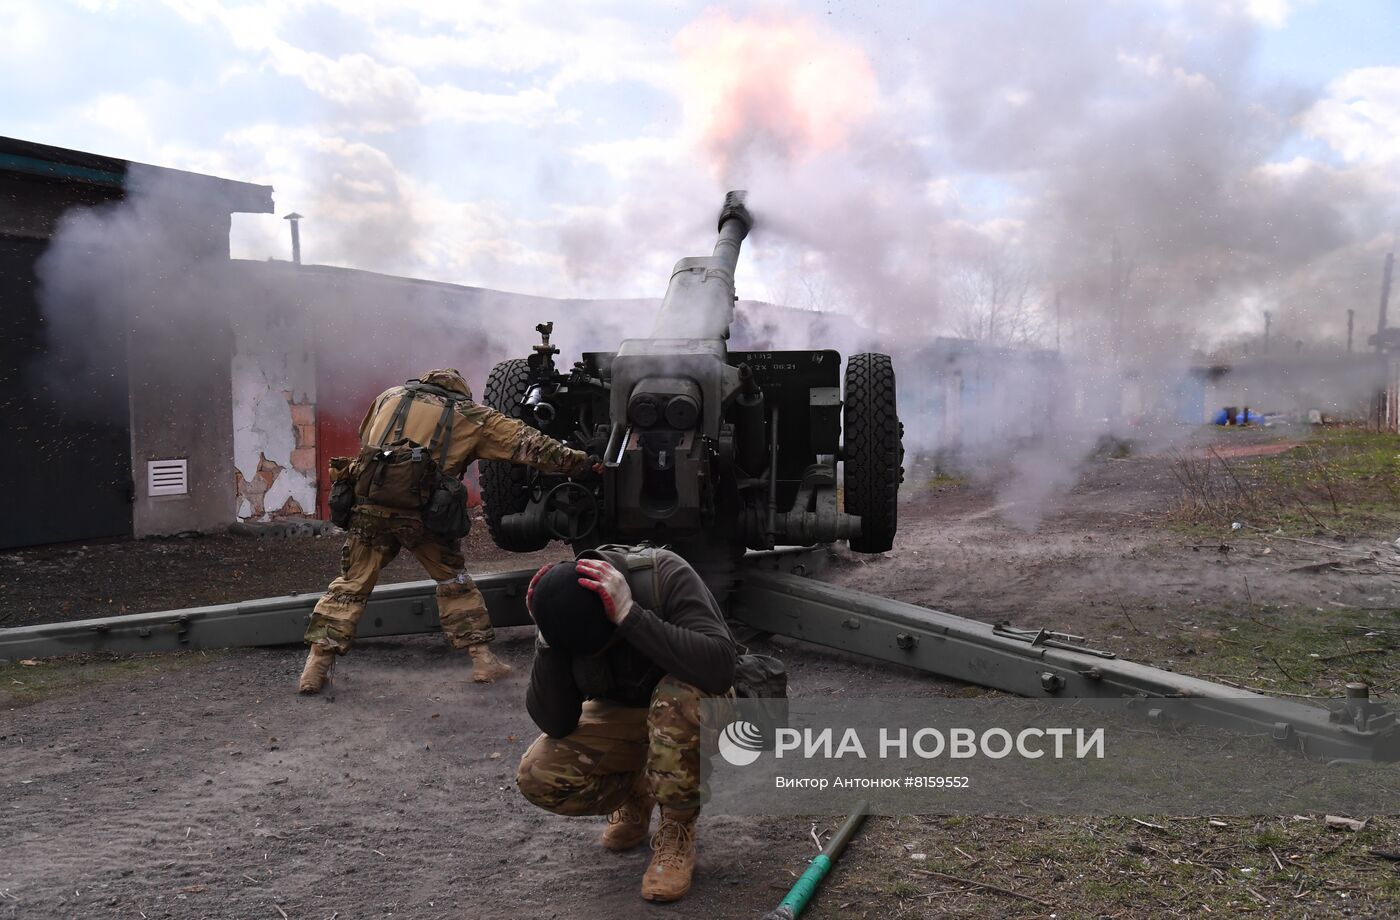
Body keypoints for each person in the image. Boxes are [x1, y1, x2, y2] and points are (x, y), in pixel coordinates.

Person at [297, 368, 596, 694]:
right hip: (424, 517)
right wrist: (582, 464)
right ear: (459, 391)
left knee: (350, 585)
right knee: (453, 582)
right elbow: (531, 446)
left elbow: (366, 435)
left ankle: (316, 665)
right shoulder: (470, 415)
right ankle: (482, 661)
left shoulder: (390, 396)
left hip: (369, 508)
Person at [515, 547, 737, 903]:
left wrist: (630, 616)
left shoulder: (664, 575)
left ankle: (677, 828)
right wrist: (546, 643)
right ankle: (640, 791)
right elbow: (555, 722)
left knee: (674, 701)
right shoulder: (566, 613)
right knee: (539, 775)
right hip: (631, 713)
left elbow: (720, 668)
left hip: (700, 704)